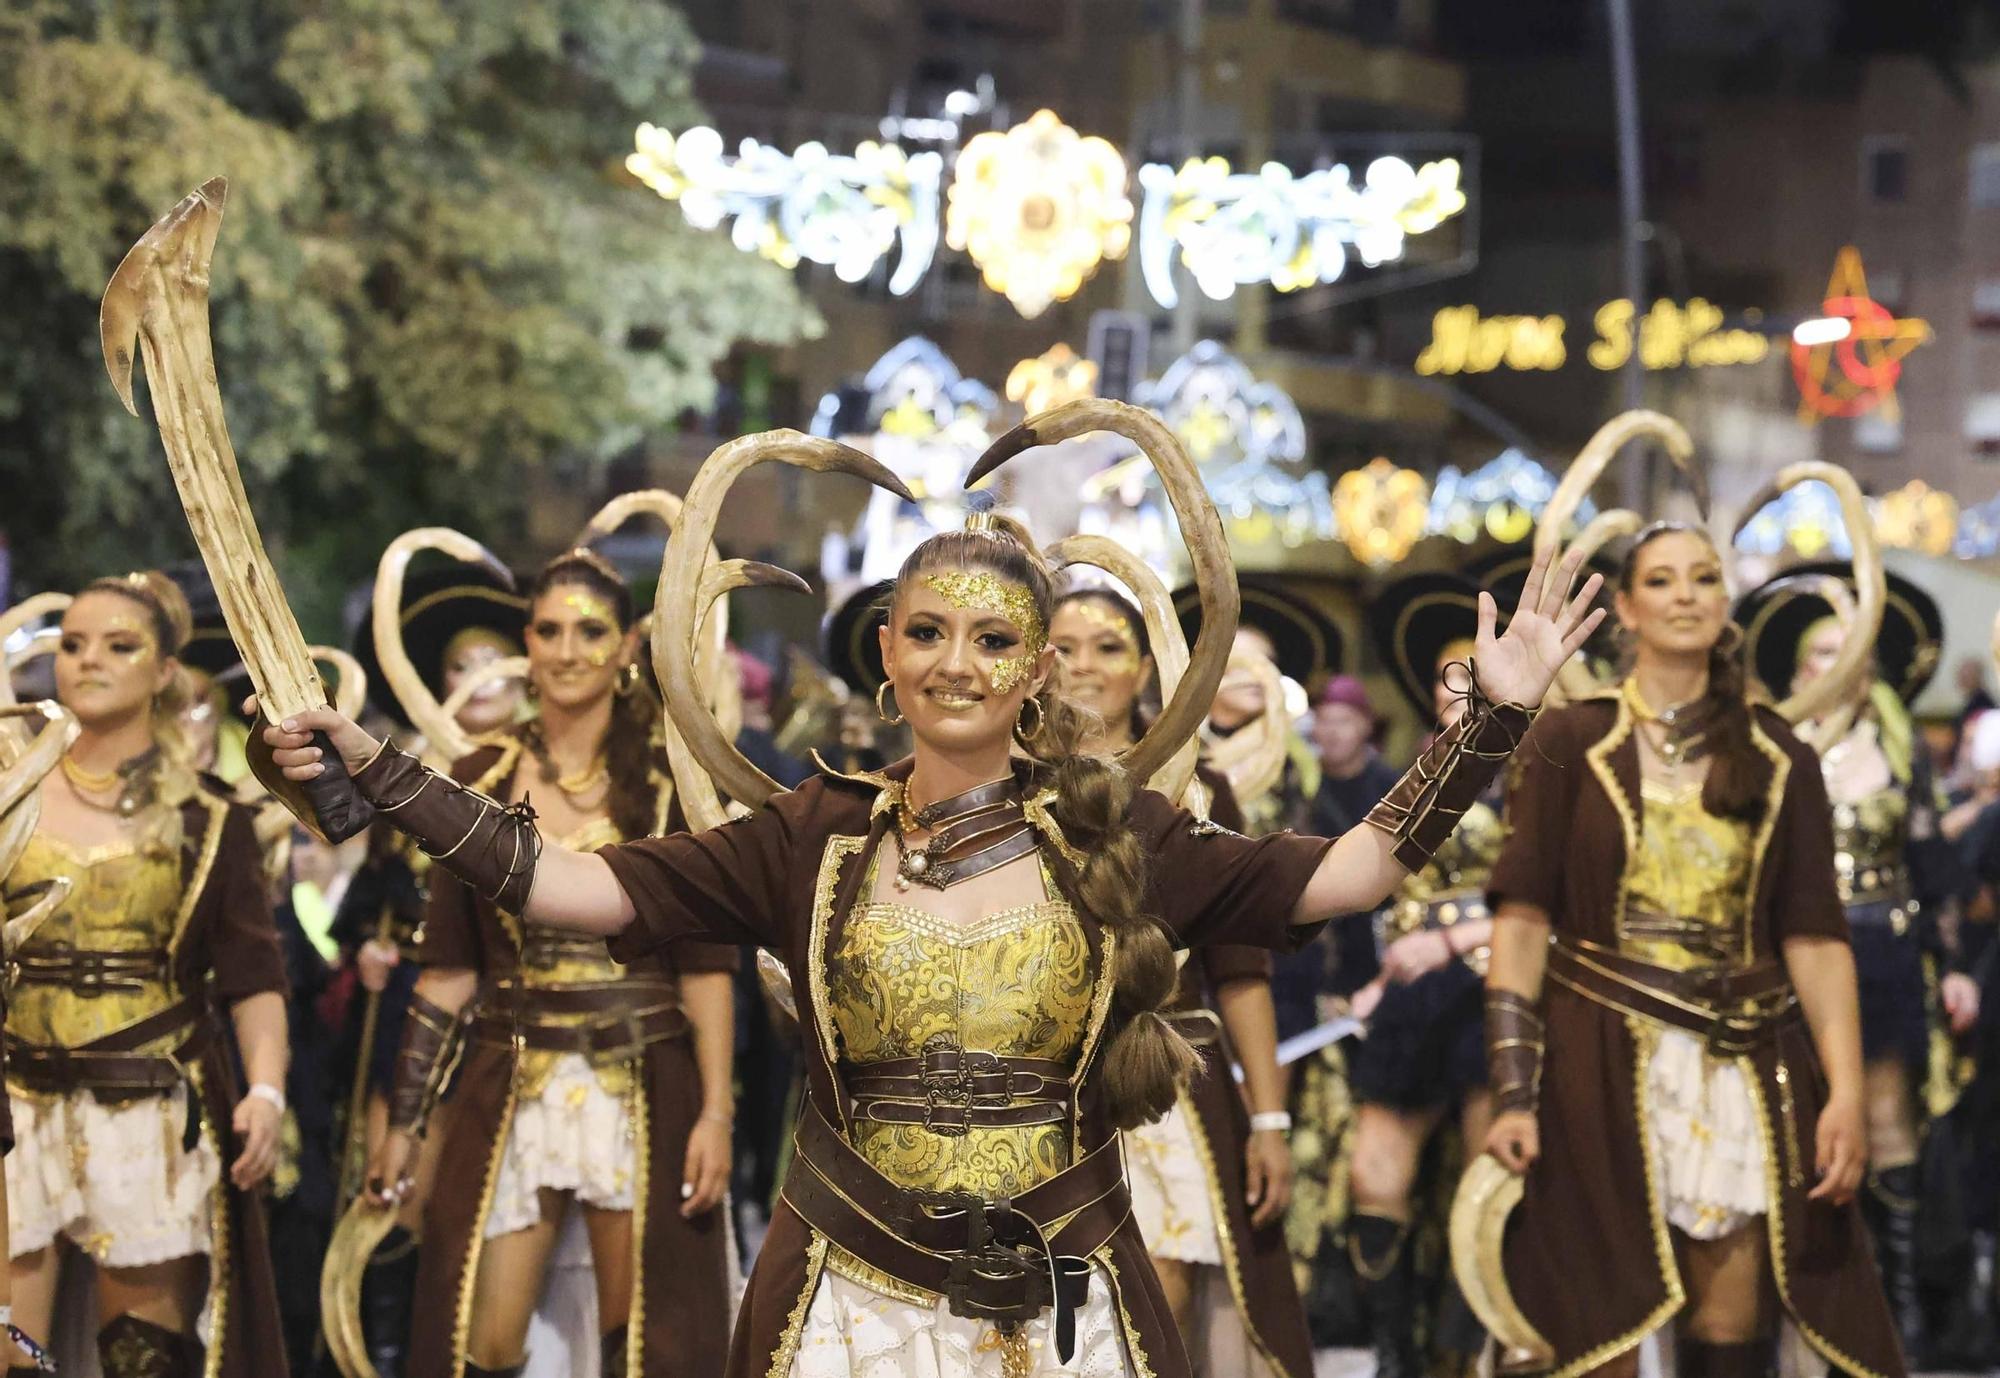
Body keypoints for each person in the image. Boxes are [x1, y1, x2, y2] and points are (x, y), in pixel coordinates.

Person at [255, 411, 1604, 1378]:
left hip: (1063, 1292)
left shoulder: (1118, 829)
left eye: (995, 637)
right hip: (844, 1295)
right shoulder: (809, 832)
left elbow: (1350, 871)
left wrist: (1485, 725)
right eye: (930, 633)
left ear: (1036, 673)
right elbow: (567, 885)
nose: (959, 660)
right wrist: (381, 772)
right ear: (888, 655)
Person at [1482, 523, 1903, 1378]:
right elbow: (1521, 923)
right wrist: (1514, 1091)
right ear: (1627, 610)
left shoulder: (1780, 754)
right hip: (1594, 1057)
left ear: (1725, 603)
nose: (1685, 595)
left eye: (1704, 578)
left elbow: (1816, 939)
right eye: (1663, 581)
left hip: (1743, 1061)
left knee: (1731, 1320)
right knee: (1597, 1327)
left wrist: (1847, 1093)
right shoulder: (1570, 741)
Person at [357, 549, 738, 1378]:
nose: (567, 650)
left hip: (645, 1078)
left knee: (643, 1344)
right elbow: (448, 972)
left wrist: (716, 1111)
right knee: (482, 1343)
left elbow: (705, 967)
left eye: (590, 631)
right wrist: (406, 1123)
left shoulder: (676, 781)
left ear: (627, 643)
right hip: (513, 1078)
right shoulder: (477, 776)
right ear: (526, 641)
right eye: (549, 629)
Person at [3, 572, 288, 1377]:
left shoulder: (211, 816)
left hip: (151, 1114)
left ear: (164, 671)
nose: (89, 661)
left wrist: (264, 1092)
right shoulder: (7, 800)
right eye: (72, 645)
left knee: (143, 1360)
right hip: (16, 1111)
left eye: (119, 646)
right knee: (12, 1356)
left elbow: (252, 973)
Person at [1049, 584, 1311, 1378]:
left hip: (1168, 1083)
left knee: (1165, 1282)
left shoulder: (1200, 790)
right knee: (1055, 1301)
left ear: (1146, 667)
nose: (1083, 666)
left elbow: (1241, 973)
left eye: (1107, 647)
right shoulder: (1001, 788)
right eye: (1061, 646)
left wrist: (1270, 1122)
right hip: (1037, 1083)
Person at [1737, 566, 1968, 1359]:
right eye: (1819, 653)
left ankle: (1894, 1326)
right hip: (1786, 956)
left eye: (1850, 652)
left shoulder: (1899, 752)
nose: (1834, 667)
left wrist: (1956, 964)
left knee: (1885, 1129)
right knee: (1791, 1129)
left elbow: (1932, 868)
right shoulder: (1769, 745)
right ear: (1800, 668)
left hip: (1884, 956)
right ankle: (1798, 1319)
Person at [333, 556, 527, 1375]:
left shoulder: (551, 771)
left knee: (474, 1215)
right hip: (416, 1011)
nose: (478, 679)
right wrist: (368, 950)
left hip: (514, 1024)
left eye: (492, 660)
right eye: (460, 664)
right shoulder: (403, 771)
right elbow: (366, 886)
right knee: (395, 1201)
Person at [1346, 572, 1506, 1377]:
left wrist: (1451, 943)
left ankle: (1465, 1353)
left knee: (1490, 1181)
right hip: (1413, 992)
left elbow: (1550, 900)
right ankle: (1392, 1357)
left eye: (1477, 679)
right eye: (1451, 682)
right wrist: (1379, 978)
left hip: (1497, 982)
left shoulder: (1534, 774)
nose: (1462, 693)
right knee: (1373, 1170)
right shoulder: (1414, 772)